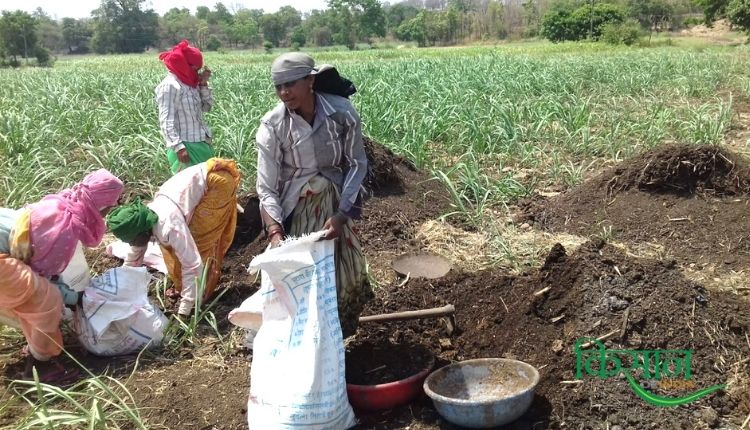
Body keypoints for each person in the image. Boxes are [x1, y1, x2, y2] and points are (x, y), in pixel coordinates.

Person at [255, 52, 372, 338]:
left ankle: (338, 338)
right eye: (278, 87)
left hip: (335, 203)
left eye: (291, 84)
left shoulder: (341, 112)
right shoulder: (273, 126)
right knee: (303, 282)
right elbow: (266, 187)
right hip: (297, 207)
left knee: (344, 273)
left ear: (310, 80)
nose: (284, 92)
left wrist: (343, 213)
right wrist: (275, 233)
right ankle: (307, 340)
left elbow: (357, 163)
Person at [0, 169, 124, 381]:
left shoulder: (63, 204)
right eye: (114, 203)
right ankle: (39, 368)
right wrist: (73, 299)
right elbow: (42, 276)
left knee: (37, 295)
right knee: (46, 300)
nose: (113, 209)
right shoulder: (66, 228)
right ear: (104, 205)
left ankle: (37, 344)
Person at [106, 158, 240, 317]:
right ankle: (185, 289)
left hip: (218, 183)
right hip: (197, 181)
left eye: (134, 240)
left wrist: (183, 311)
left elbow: (192, 264)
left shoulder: (168, 227)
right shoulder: (142, 220)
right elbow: (135, 255)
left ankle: (199, 298)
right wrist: (121, 286)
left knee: (198, 243)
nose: (135, 244)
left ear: (141, 232)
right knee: (176, 249)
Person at [156, 39, 214, 174]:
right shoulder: (169, 86)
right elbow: (166, 121)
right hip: (185, 146)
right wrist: (179, 148)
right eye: (194, 68)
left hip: (202, 141)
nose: (196, 72)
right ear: (182, 64)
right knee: (189, 191)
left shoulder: (191, 84)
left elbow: (206, 107)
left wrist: (203, 84)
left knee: (208, 189)